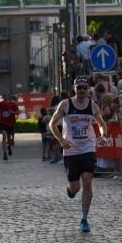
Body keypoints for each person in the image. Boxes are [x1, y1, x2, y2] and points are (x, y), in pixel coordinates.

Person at [48, 76, 107, 233]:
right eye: (78, 87)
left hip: (88, 148)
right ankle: (71, 189)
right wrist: (61, 140)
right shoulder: (65, 104)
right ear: (74, 88)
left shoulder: (93, 106)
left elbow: (101, 124)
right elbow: (52, 124)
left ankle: (84, 218)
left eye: (84, 88)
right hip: (71, 150)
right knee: (75, 187)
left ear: (88, 89)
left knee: (87, 181)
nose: (81, 90)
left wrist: (102, 136)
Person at [0, 92, 19, 160]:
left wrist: (12, 112)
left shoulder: (13, 104)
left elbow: (18, 112)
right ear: (2, 97)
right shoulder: (0, 104)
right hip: (2, 123)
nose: (4, 97)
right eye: (3, 96)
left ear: (8, 96)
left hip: (10, 123)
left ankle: (9, 147)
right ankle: (4, 153)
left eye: (5, 95)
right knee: (4, 136)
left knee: (9, 138)